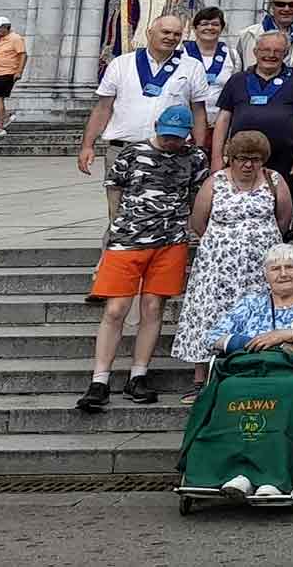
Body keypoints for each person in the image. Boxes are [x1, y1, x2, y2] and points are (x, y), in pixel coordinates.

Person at [76, 105, 205, 411]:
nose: (171, 142)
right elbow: (114, 187)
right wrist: (116, 223)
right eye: (167, 135)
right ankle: (100, 378)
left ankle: (139, 374)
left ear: (187, 134)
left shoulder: (194, 157)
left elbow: (196, 193)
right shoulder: (133, 153)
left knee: (152, 306)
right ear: (157, 126)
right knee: (116, 308)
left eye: (177, 137)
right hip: (129, 239)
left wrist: (188, 226)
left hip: (170, 240)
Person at [174, 129, 292, 402]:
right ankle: (201, 379)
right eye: (242, 158)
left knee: (257, 317)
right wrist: (225, 245)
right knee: (208, 316)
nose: (248, 164)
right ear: (231, 158)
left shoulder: (274, 180)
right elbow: (198, 222)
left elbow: (283, 219)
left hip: (260, 268)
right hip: (216, 267)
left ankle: (251, 371)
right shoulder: (215, 182)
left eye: (255, 159)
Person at [79, 14, 210, 229]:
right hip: (123, 149)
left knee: (169, 214)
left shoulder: (192, 67)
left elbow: (198, 112)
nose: (170, 37)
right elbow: (103, 108)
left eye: (176, 34)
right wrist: (87, 145)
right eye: (165, 32)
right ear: (150, 32)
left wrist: (199, 147)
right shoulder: (121, 64)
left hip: (171, 151)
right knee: (119, 216)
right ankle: (113, 261)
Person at [212, 29, 293, 203]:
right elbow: (223, 119)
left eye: (278, 51)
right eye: (265, 50)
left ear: (286, 54)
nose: (271, 55)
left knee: (280, 206)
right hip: (242, 160)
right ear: (255, 52)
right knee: (239, 204)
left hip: (284, 160)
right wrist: (216, 157)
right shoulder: (237, 80)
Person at [208, 243, 293, 363]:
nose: (283, 274)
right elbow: (212, 337)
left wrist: (288, 335)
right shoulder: (251, 303)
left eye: (289, 267)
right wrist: (266, 344)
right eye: (275, 269)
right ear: (265, 274)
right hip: (249, 369)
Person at [185, 7, 239, 129]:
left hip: (219, 124)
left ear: (222, 28)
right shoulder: (181, 53)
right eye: (204, 24)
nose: (210, 28)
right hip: (185, 123)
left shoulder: (232, 56)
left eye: (215, 24)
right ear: (195, 28)